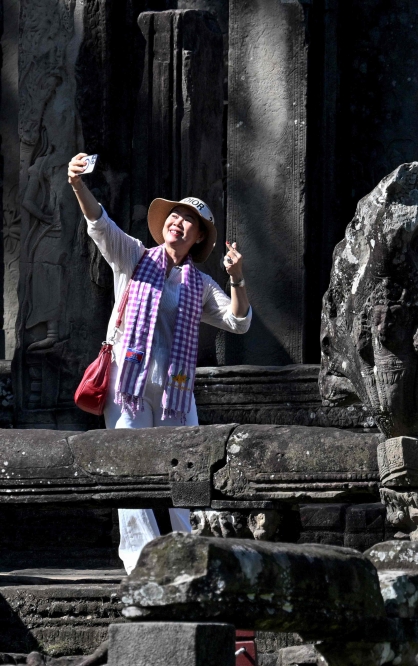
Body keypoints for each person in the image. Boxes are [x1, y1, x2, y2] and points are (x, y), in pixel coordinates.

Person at [67, 153, 253, 573]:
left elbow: (238, 322)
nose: (178, 221)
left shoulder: (200, 284)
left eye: (189, 220)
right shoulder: (133, 257)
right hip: (127, 387)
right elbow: (100, 224)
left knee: (186, 473)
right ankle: (141, 564)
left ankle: (185, 556)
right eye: (175, 214)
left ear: (198, 236)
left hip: (176, 390)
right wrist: (78, 184)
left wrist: (238, 278)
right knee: (128, 472)